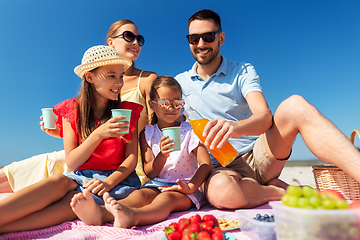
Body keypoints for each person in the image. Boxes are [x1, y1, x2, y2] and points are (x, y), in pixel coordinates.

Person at [175, 9, 360, 210]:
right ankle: (277, 191)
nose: (201, 44)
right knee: (221, 192)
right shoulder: (179, 83)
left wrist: (234, 128)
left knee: (295, 105)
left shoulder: (242, 71)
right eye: (193, 39)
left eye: (208, 37)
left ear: (221, 38)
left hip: (258, 156)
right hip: (219, 169)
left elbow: (264, 118)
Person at [0, 19, 156, 193]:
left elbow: (155, 127)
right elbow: (91, 126)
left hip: (125, 159)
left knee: (55, 165)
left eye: (139, 39)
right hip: (93, 156)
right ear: (111, 42)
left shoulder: (146, 80)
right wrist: (63, 132)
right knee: (45, 161)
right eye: (129, 36)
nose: (136, 42)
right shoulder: (99, 82)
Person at [0, 45, 142, 233]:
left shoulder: (128, 111)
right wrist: (99, 134)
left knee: (73, 202)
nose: (119, 82)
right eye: (111, 76)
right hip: (81, 175)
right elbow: (73, 162)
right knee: (58, 181)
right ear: (89, 77)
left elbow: (131, 158)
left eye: (121, 76)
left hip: (117, 179)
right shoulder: (71, 110)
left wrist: (108, 182)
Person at [69, 76, 212, 228]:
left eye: (177, 103)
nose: (171, 108)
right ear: (152, 105)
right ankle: (101, 213)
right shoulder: (148, 133)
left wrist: (190, 187)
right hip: (157, 183)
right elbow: (150, 172)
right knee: (139, 195)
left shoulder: (191, 130)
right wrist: (162, 156)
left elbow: (206, 164)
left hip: (185, 187)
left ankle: (133, 217)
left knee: (165, 200)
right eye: (164, 103)